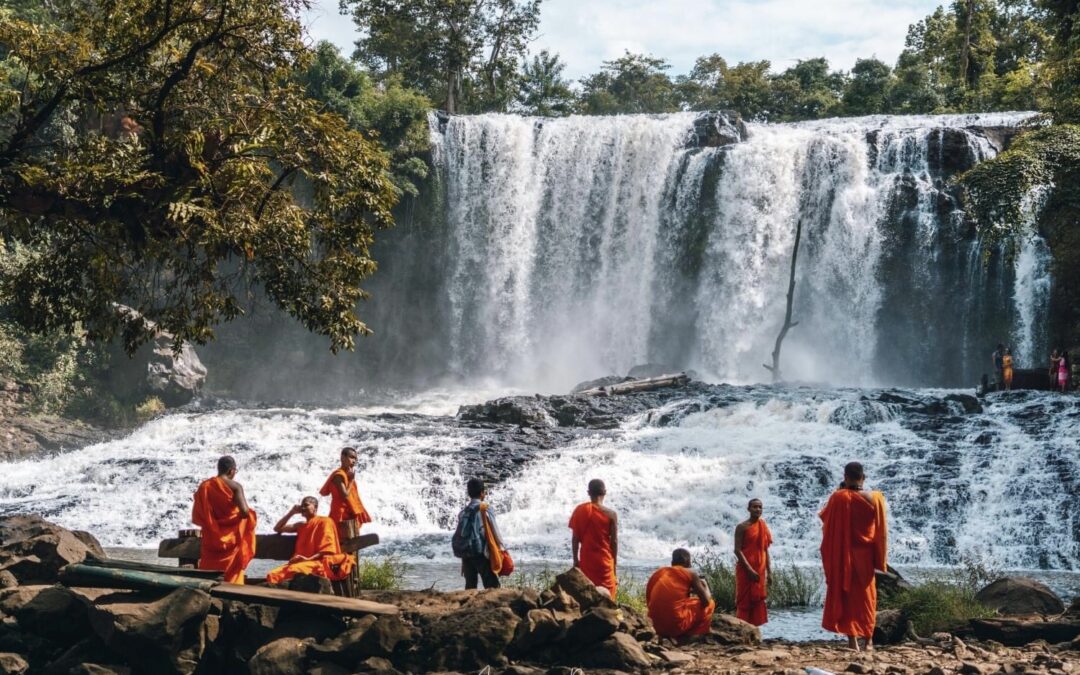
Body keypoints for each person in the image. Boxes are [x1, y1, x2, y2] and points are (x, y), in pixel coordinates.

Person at [820, 461, 887, 652]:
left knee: (847, 596)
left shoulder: (838, 497)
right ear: (863, 477)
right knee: (867, 598)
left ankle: (852, 641)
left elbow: (825, 519)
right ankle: (869, 641)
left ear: (845, 477)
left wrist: (841, 491)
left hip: (844, 556)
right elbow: (881, 531)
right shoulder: (875, 498)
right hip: (865, 556)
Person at [191, 455, 257, 584]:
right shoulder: (235, 486)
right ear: (231, 470)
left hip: (211, 535)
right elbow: (244, 512)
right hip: (232, 536)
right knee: (232, 573)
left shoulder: (205, 486)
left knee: (209, 569)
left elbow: (199, 515)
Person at [265, 496, 355, 586]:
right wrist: (291, 512)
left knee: (292, 570)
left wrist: (309, 559)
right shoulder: (300, 525)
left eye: (306, 505)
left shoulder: (325, 521)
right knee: (272, 574)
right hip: (301, 562)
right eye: (301, 506)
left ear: (315, 507)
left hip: (318, 563)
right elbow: (277, 528)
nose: (303, 508)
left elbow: (327, 550)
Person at [319, 447, 372, 595]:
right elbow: (344, 495)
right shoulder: (339, 475)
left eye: (355, 459)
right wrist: (352, 480)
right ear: (342, 457)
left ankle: (347, 577)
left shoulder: (345, 474)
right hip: (340, 513)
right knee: (341, 544)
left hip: (346, 513)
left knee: (348, 544)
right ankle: (338, 577)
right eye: (351, 457)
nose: (354, 461)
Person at [646, 548, 715, 640]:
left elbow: (649, 599)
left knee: (688, 602)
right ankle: (695, 633)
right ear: (688, 562)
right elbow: (706, 601)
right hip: (675, 627)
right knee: (711, 603)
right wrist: (705, 586)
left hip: (655, 625)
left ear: (672, 563)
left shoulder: (661, 572)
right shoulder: (690, 573)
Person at [451, 478, 507, 589]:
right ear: (482, 493)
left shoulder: (463, 512)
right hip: (481, 552)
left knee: (470, 586)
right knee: (492, 585)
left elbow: (463, 533)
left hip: (466, 553)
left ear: (469, 494)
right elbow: (495, 531)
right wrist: (502, 548)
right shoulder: (485, 508)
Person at [569, 478, 618, 598]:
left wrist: (575, 560)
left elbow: (575, 538)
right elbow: (614, 542)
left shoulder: (580, 510)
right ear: (605, 492)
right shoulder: (611, 514)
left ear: (589, 492)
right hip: (604, 561)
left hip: (587, 559)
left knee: (588, 594)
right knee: (608, 596)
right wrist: (614, 566)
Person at [734, 498, 773, 626]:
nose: (758, 509)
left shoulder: (763, 525)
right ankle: (741, 628)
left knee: (757, 600)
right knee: (744, 600)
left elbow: (765, 550)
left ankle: (754, 630)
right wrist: (749, 570)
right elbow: (737, 550)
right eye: (755, 507)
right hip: (745, 570)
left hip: (760, 570)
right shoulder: (741, 527)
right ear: (748, 509)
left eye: (760, 507)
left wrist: (769, 572)